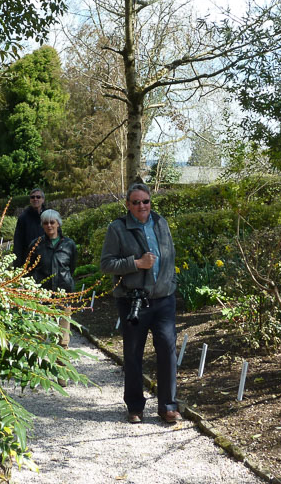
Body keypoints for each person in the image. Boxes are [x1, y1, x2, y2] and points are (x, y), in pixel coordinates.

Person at [100, 182, 181, 424]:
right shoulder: (118, 228)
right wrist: (136, 264)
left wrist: (171, 282)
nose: (141, 206)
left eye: (145, 201)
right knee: (133, 354)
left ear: (150, 202)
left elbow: (170, 255)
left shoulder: (160, 222)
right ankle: (135, 406)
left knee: (167, 350)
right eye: (136, 202)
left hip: (164, 300)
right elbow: (106, 264)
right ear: (128, 205)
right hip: (133, 301)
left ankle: (168, 406)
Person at [28, 209, 77, 349]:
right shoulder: (36, 245)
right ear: (42, 225)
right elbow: (29, 268)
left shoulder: (69, 245)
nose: (49, 225)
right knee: (40, 331)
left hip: (64, 292)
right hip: (43, 293)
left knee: (63, 332)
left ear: (58, 224)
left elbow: (72, 267)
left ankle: (61, 360)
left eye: (52, 222)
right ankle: (39, 360)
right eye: (45, 223)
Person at [13, 187, 46, 268]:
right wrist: (17, 264)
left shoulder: (48, 216)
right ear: (30, 200)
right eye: (32, 197)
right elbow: (18, 241)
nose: (35, 199)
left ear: (43, 200)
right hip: (28, 260)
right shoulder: (23, 217)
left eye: (38, 197)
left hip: (46, 259)